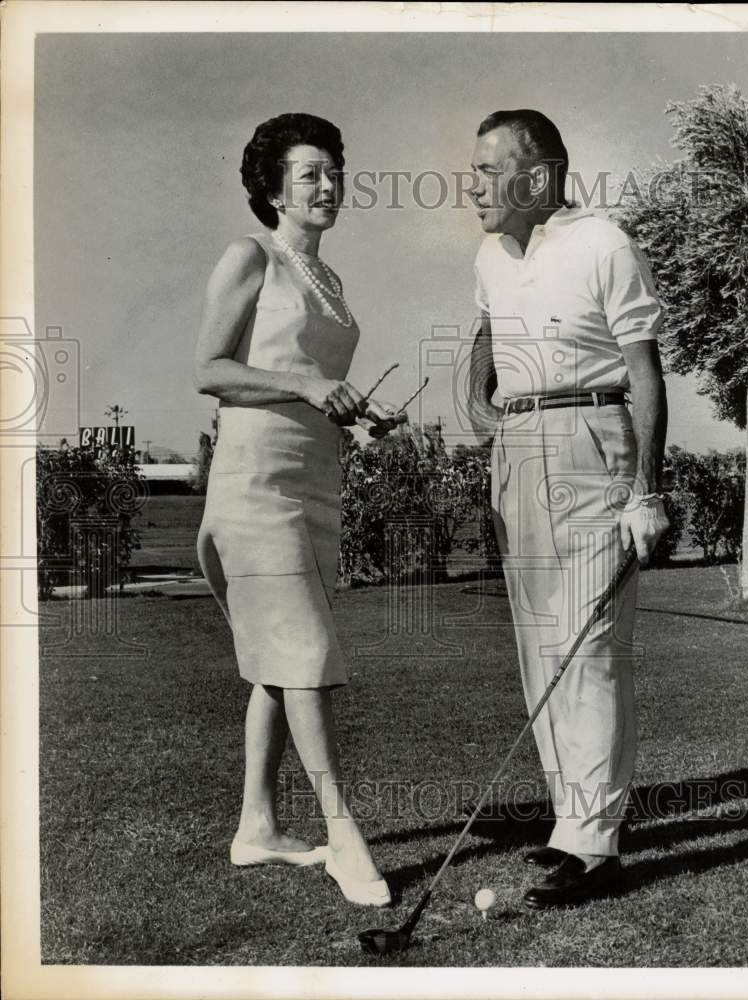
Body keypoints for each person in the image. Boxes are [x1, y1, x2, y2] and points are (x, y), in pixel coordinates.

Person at [194, 113, 400, 907]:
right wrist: (310, 387)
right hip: (253, 483)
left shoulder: (332, 281)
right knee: (304, 654)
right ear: (272, 187)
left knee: (280, 666)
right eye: (311, 172)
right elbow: (210, 368)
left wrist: (354, 412)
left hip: (316, 480)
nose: (328, 185)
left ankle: (257, 827)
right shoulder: (251, 257)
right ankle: (345, 833)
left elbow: (311, 380)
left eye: (334, 171)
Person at [466, 109, 670, 906]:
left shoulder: (604, 243)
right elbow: (485, 338)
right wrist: (484, 406)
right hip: (517, 447)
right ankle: (570, 828)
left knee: (588, 649)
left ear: (540, 176)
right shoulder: (488, 254)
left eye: (487, 170)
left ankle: (596, 845)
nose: (472, 185)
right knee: (541, 648)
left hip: (594, 437)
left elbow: (645, 372)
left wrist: (647, 492)